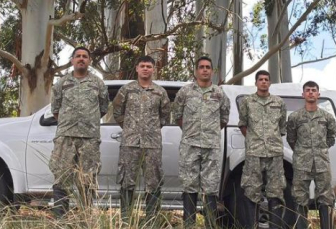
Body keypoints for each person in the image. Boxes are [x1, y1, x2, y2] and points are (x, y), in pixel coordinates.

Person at [48, 47, 109, 218]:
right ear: (72, 60)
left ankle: (85, 219)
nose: (81, 59)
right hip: (65, 137)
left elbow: (103, 108)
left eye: (85, 56)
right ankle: (61, 219)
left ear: (89, 61)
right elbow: (55, 109)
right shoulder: (62, 83)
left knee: (88, 179)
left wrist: (88, 122)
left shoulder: (98, 83)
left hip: (89, 138)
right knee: (62, 177)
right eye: (78, 56)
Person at [172, 56, 230, 228]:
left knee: (210, 188)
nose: (205, 70)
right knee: (189, 187)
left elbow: (224, 118)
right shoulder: (185, 92)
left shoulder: (219, 94)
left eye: (208, 67)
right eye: (201, 67)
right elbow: (178, 116)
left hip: (211, 147)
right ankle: (189, 224)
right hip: (190, 146)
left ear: (212, 71)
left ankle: (210, 225)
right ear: (196, 71)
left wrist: (209, 134)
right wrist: (191, 132)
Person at [111, 56, 171, 222]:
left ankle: (151, 220)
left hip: (152, 144)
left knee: (153, 182)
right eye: (142, 66)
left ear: (153, 69)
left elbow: (165, 115)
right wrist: (129, 127)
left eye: (149, 66)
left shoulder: (160, 92)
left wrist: (151, 129)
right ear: (137, 68)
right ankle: (126, 219)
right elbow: (117, 111)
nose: (145, 69)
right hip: (130, 143)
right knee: (127, 181)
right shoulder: (127, 90)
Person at [237, 70, 288, 229]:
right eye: (261, 79)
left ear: (270, 82)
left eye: (266, 79)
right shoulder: (247, 101)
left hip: (274, 153)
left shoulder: (279, 103)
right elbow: (243, 125)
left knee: (276, 191)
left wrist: (270, 141)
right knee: (251, 190)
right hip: (254, 153)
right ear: (256, 83)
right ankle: (251, 226)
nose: (264, 82)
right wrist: (254, 140)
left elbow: (281, 128)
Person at [286, 81, 336, 229]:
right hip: (302, 163)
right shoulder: (295, 117)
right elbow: (291, 138)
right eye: (307, 90)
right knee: (300, 196)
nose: (310, 92)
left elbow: (331, 137)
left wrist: (319, 149)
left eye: (313, 90)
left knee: (326, 197)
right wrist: (303, 152)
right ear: (303, 94)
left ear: (318, 94)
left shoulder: (327, 117)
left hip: (322, 162)